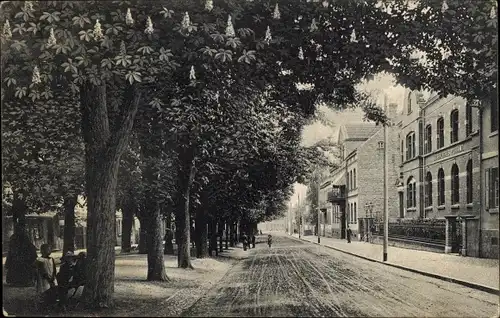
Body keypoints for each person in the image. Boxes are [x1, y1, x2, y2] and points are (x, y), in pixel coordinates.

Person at [5, 222, 38, 287]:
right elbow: (12, 247)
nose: (21, 230)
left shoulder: (25, 237)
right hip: (17, 255)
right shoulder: (14, 237)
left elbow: (29, 245)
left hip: (23, 255)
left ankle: (25, 281)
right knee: (18, 266)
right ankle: (18, 281)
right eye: (19, 228)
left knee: (25, 266)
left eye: (22, 228)